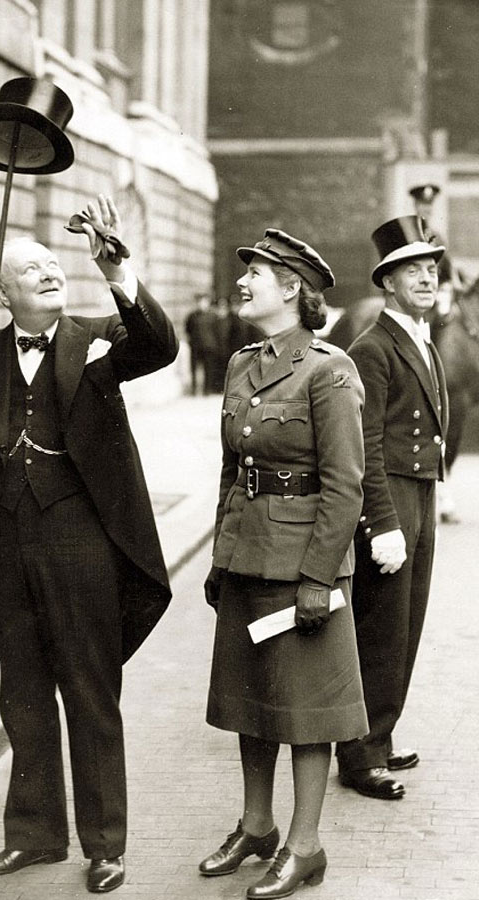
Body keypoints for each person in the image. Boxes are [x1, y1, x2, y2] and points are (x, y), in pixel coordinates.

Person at [0, 195, 179, 893]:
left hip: (83, 547)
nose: (50, 272)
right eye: (32, 269)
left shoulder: (95, 338)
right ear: (4, 294)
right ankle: (34, 837)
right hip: (9, 556)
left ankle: (106, 845)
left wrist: (117, 275)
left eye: (55, 266)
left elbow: (158, 346)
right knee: (23, 700)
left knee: (91, 695)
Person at [199, 229, 368, 899]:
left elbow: (345, 484)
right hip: (247, 557)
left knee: (304, 711)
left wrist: (320, 578)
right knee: (250, 701)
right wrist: (221, 554)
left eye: (258, 274)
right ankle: (257, 825)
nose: (243, 283)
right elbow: (231, 469)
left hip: (302, 566)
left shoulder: (330, 369)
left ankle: (306, 846)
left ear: (294, 288)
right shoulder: (243, 363)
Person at [336, 215, 449, 800]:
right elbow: (366, 444)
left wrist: (437, 485)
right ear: (388, 282)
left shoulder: (420, 337)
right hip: (391, 501)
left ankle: (380, 737)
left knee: (407, 624)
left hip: (420, 494)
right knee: (380, 628)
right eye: (413, 271)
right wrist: (382, 523)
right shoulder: (373, 345)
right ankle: (359, 757)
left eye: (431, 269)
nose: (427, 278)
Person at [184, 292, 216, 394]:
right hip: (195, 345)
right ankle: (194, 389)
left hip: (208, 345)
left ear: (208, 303)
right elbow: (188, 329)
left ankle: (207, 389)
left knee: (208, 368)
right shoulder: (192, 316)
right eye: (200, 302)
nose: (202, 304)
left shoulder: (212, 316)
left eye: (204, 302)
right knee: (194, 368)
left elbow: (216, 330)